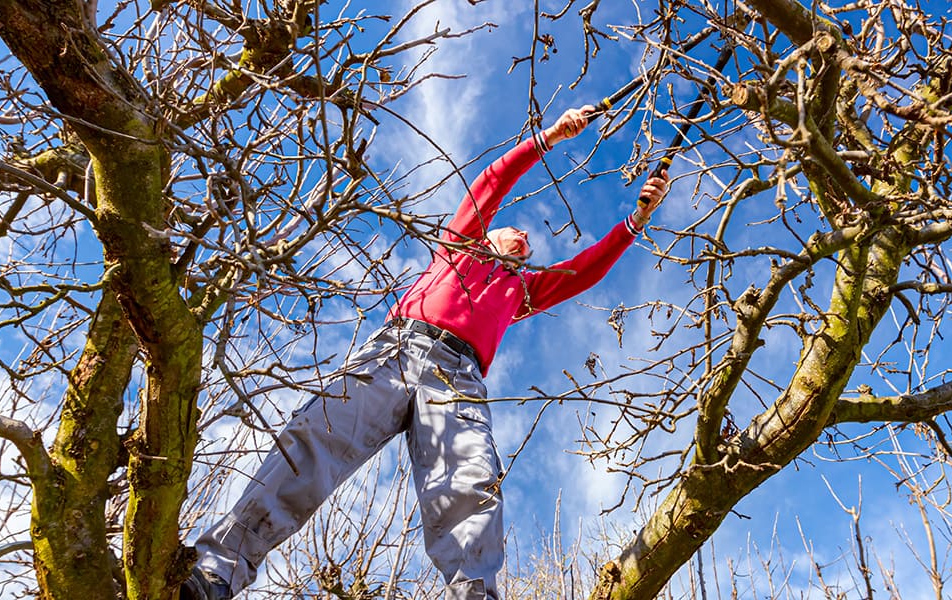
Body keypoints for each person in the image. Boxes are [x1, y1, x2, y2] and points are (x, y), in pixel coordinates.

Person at [181, 105, 670, 600]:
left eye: (529, 244)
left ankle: (473, 594)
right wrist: (549, 136)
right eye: (514, 231)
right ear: (488, 233)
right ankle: (217, 571)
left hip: (456, 377)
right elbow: (492, 182)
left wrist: (637, 219)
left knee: (470, 484)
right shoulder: (459, 245)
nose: (523, 239)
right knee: (316, 438)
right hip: (396, 348)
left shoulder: (520, 291)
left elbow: (584, 270)